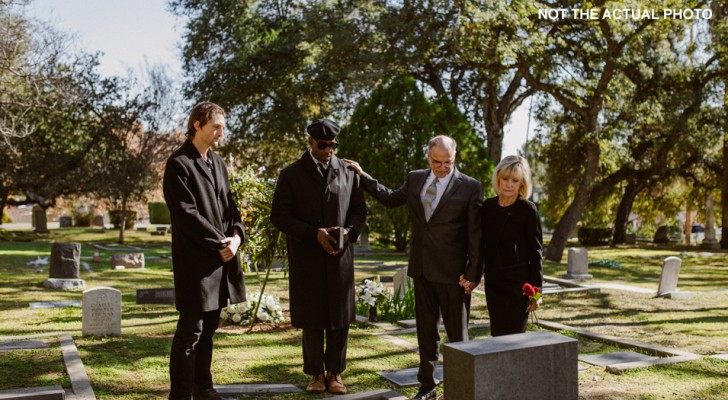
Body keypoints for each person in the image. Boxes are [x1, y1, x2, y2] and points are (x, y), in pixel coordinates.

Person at [344, 135, 482, 400]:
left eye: (448, 162)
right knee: (426, 333)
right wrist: (363, 176)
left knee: (458, 336)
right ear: (427, 157)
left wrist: (474, 272)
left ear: (455, 157)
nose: (442, 167)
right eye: (436, 162)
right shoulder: (416, 178)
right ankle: (427, 387)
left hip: (456, 276)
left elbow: (476, 233)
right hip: (421, 270)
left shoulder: (470, 187)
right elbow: (390, 198)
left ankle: (461, 388)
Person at [270, 118, 367, 395]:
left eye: (333, 145)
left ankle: (335, 374)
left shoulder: (349, 173)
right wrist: (313, 233)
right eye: (323, 145)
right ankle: (315, 374)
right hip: (307, 256)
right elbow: (279, 216)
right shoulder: (290, 174)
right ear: (310, 142)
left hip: (340, 257)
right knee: (312, 318)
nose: (328, 150)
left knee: (338, 318)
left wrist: (349, 232)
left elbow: (359, 211)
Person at [163, 102, 246, 400]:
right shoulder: (179, 163)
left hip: (221, 260)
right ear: (197, 124)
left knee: (209, 327)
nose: (221, 132)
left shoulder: (219, 163)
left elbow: (232, 207)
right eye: (216, 126)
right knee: (191, 330)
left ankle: (203, 387)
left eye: (222, 127)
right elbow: (186, 215)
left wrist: (236, 237)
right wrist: (220, 243)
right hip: (195, 262)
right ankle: (181, 394)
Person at [481, 155, 543, 336]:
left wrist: (536, 295)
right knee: (497, 335)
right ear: (498, 179)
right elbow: (480, 245)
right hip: (493, 284)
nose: (509, 184)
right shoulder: (487, 207)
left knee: (515, 338)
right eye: (505, 179)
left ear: (522, 184)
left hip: (519, 287)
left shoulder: (528, 210)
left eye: (515, 180)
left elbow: (536, 253)